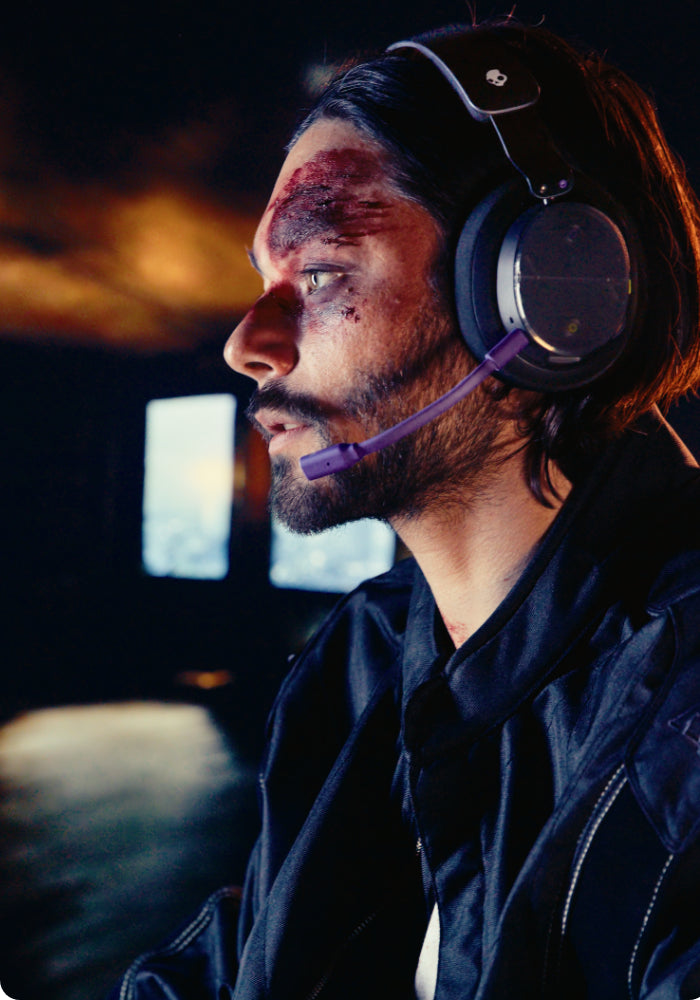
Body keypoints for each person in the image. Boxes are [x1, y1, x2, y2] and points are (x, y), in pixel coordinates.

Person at [111, 17, 700, 1000]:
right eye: (265, 279)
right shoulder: (360, 663)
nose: (246, 343)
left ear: (552, 293)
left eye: (321, 273)